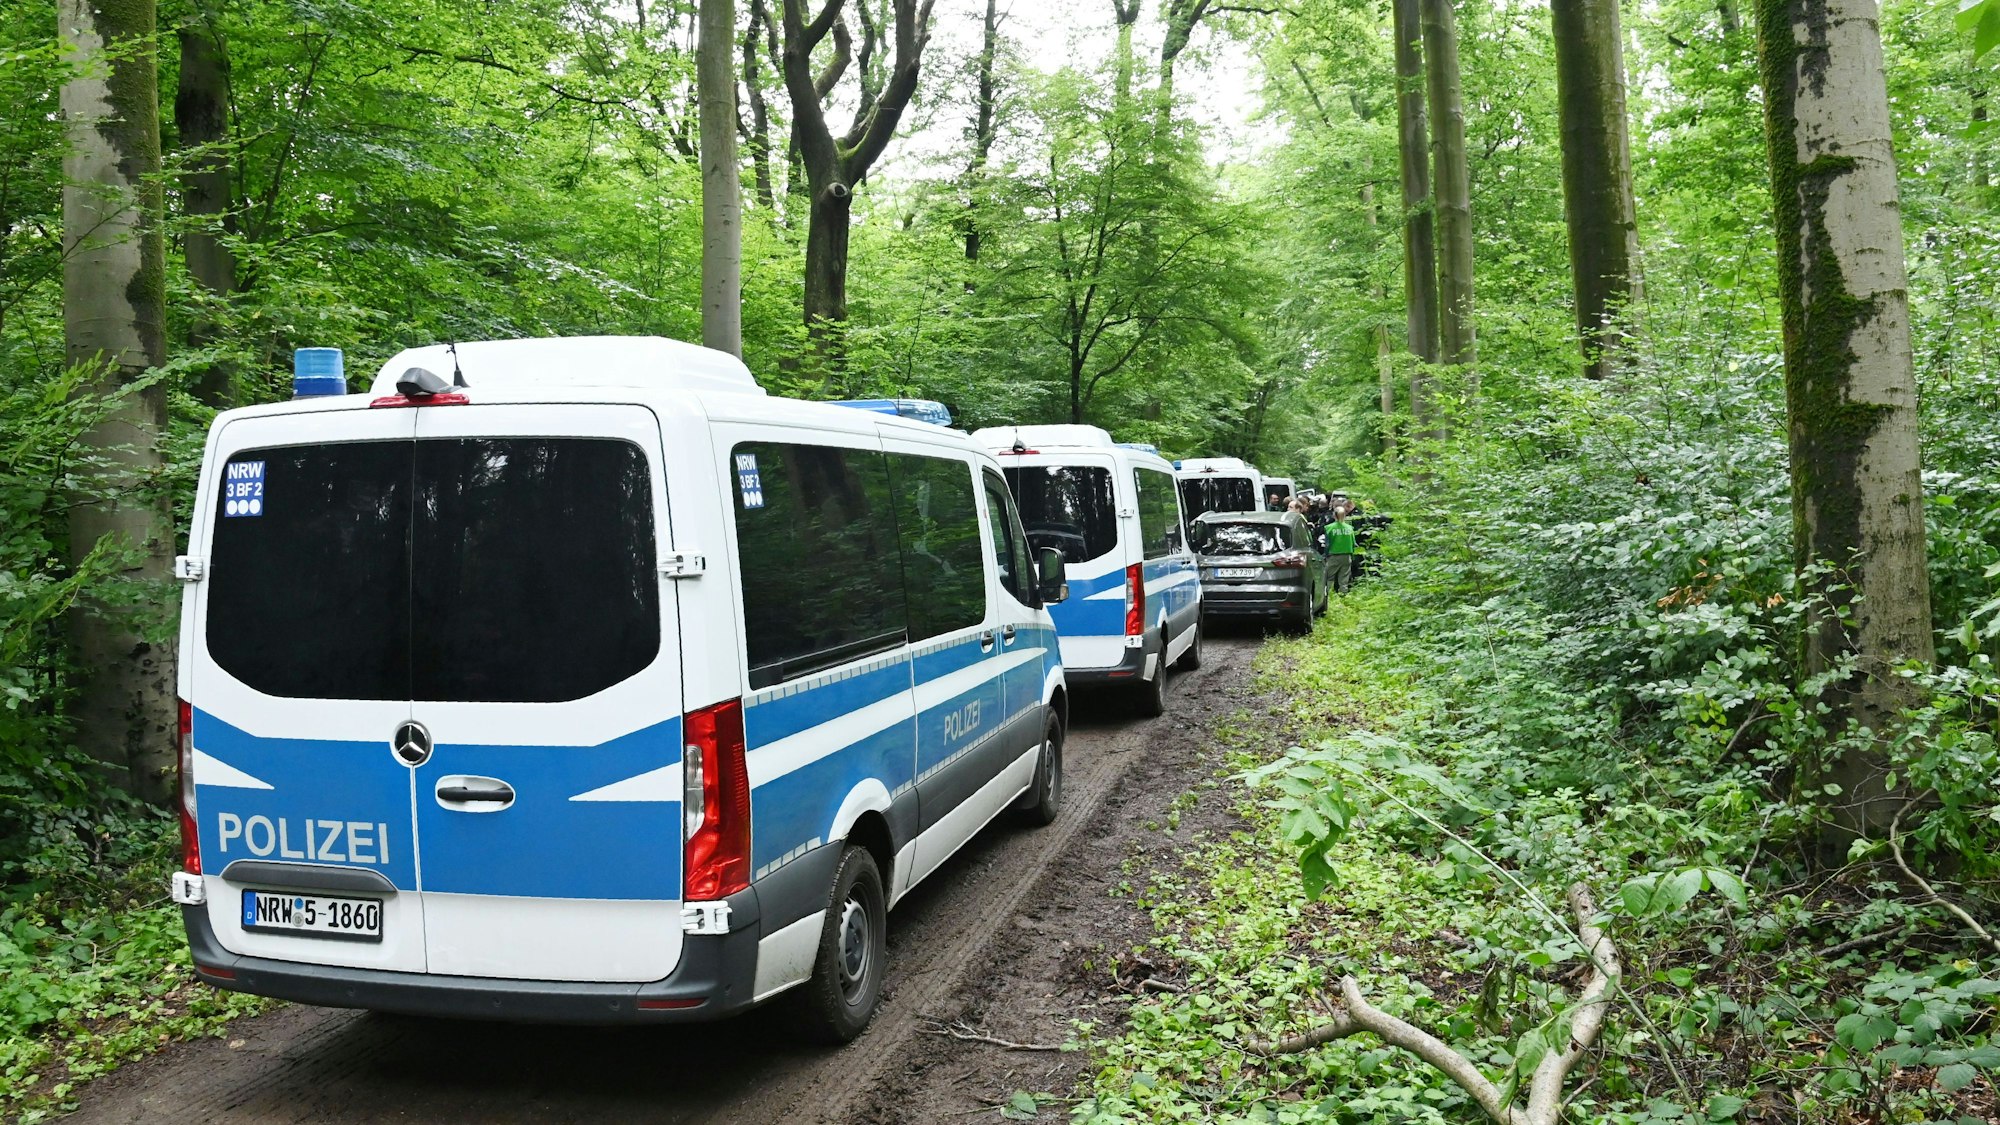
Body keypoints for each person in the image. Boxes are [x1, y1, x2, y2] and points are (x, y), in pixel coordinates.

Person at [1321, 500, 1357, 594]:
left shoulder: (1329, 528)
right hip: (1347, 555)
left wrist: (1325, 554)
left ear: (1334, 515)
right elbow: (1353, 543)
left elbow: (1327, 543)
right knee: (1344, 579)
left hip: (1334, 555)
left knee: (1328, 577)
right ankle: (1343, 595)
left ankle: (1327, 596)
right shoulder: (1350, 528)